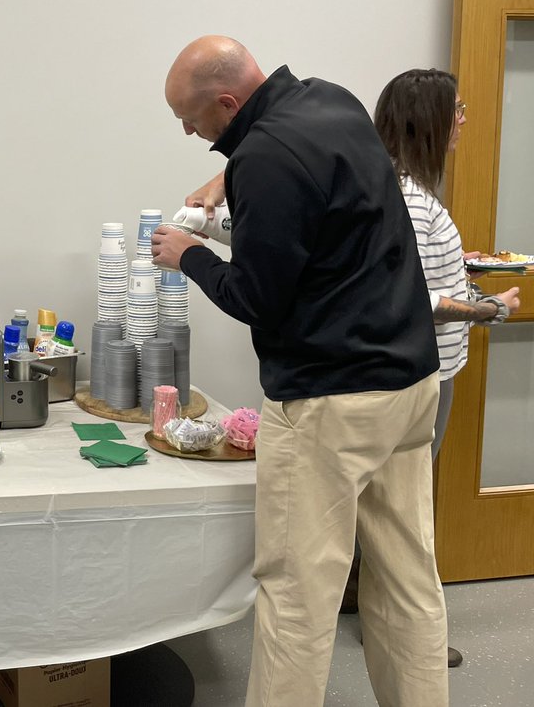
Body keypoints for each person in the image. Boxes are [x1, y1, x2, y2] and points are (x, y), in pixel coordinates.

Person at [151, 36, 447, 707]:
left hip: (330, 402)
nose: (189, 132)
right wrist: (229, 175)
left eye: (192, 120)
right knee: (407, 578)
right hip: (410, 383)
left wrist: (189, 254)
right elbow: (308, 190)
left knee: (296, 594)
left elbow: (255, 298)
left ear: (228, 102)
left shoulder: (264, 157)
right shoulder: (332, 102)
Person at [366, 68, 521, 666]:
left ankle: (376, 609)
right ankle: (410, 638)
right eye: (455, 110)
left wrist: (463, 272)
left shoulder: (401, 191)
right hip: (420, 376)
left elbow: (411, 279)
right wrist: (490, 309)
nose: (463, 121)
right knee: (404, 515)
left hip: (418, 373)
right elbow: (411, 301)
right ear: (426, 119)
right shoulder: (409, 199)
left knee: (393, 506)